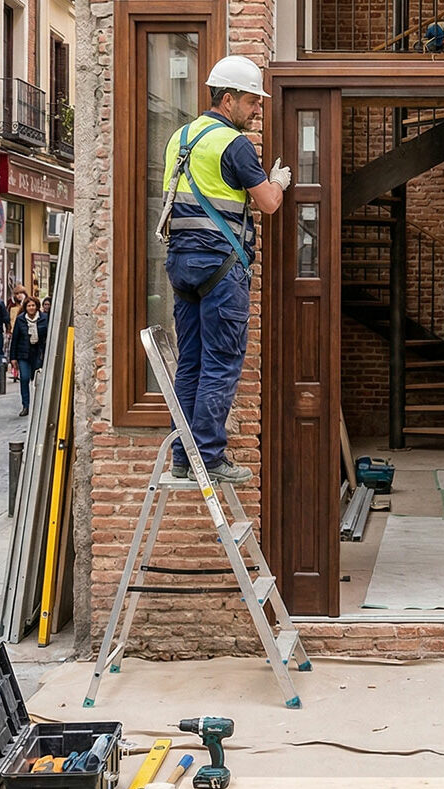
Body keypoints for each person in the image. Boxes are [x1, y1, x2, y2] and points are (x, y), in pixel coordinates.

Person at [158, 55, 291, 483]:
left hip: (181, 265)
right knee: (222, 362)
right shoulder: (234, 144)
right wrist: (279, 183)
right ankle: (211, 457)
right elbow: (268, 204)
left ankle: (185, 456)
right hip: (221, 266)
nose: (257, 111)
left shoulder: (179, 138)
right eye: (253, 102)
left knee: (192, 362)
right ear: (228, 98)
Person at [9, 296, 47, 416]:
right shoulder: (20, 319)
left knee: (38, 380)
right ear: (25, 307)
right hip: (23, 353)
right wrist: (13, 358)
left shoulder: (44, 318)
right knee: (24, 378)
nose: (31, 308)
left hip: (38, 353)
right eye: (29, 306)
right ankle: (26, 405)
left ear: (37, 306)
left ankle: (39, 405)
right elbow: (15, 339)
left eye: (33, 305)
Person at [7, 284, 27, 382]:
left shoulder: (26, 305)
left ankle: (19, 371)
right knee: (12, 352)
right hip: (13, 331)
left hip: (22, 332)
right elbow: (8, 319)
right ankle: (15, 372)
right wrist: (9, 330)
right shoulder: (11, 305)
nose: (19, 295)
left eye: (21, 293)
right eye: (17, 293)